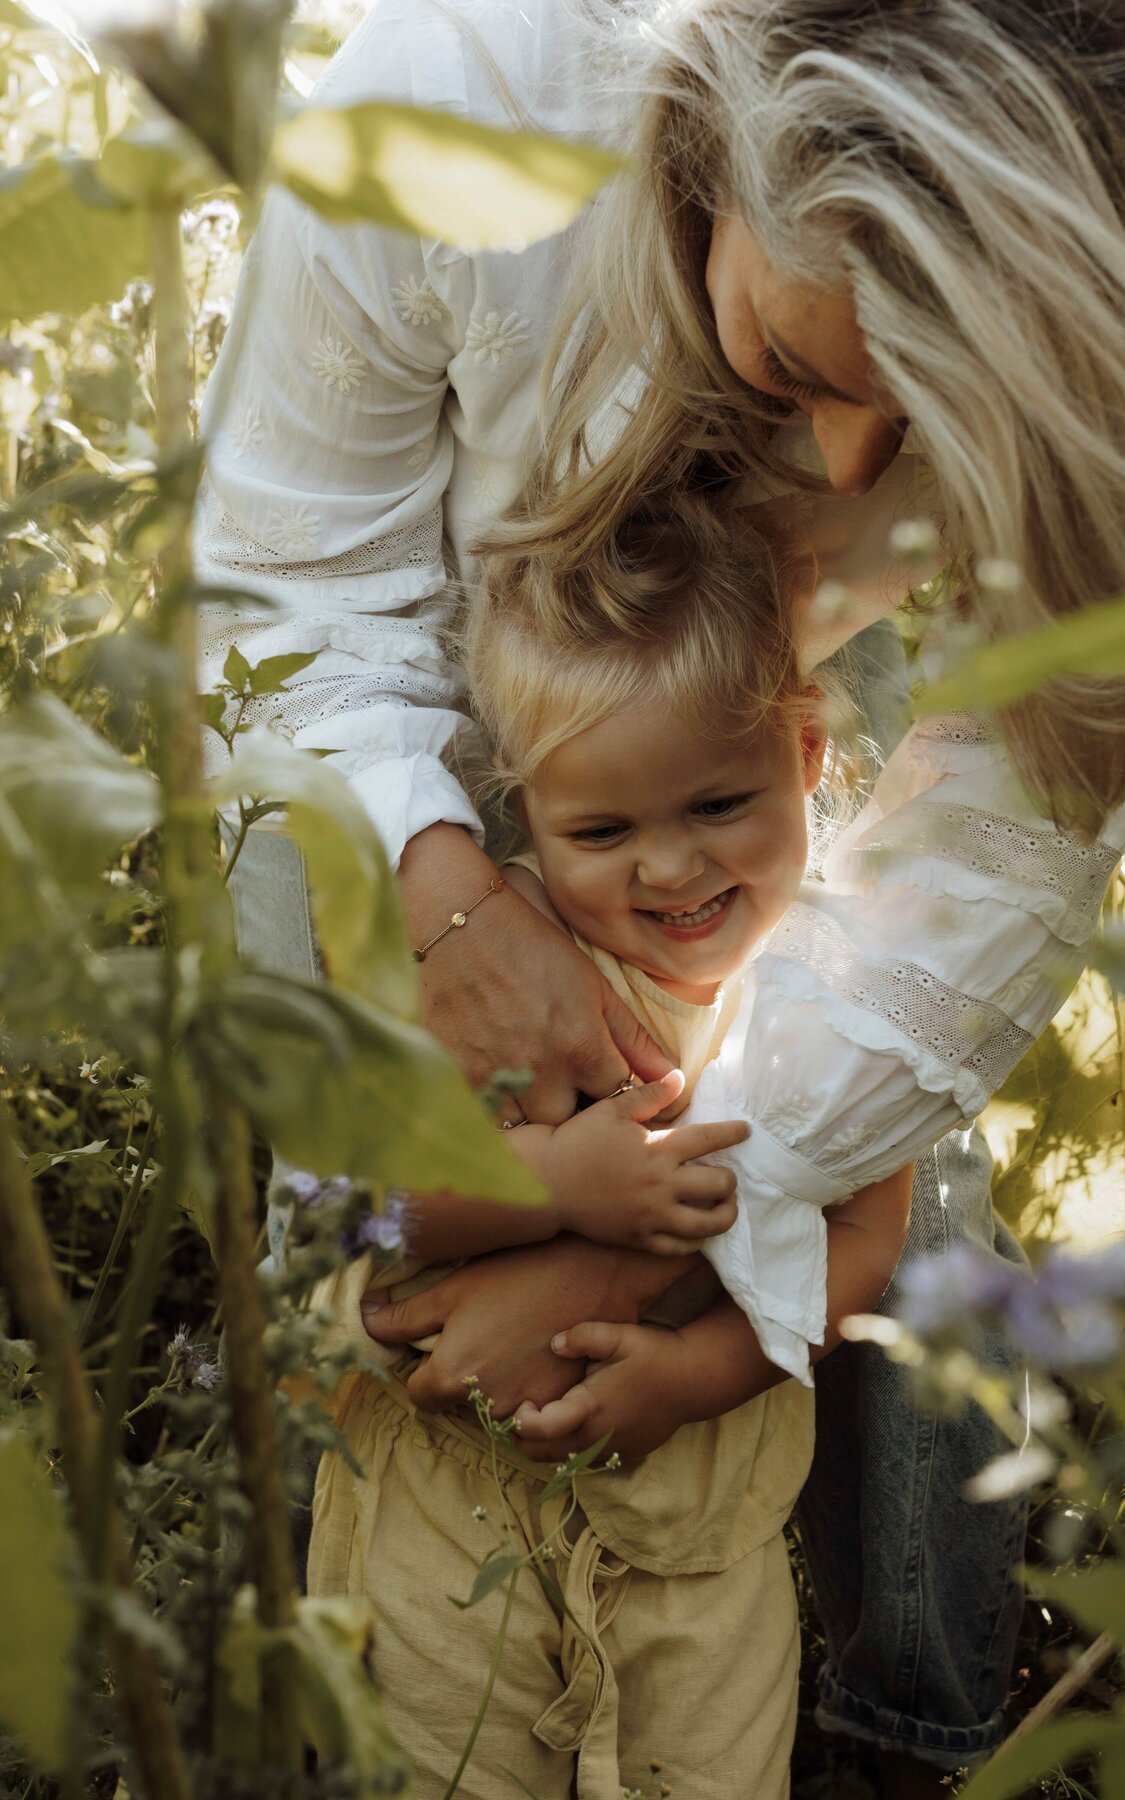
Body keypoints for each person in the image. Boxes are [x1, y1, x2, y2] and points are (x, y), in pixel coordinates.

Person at [198, 0, 1125, 1787]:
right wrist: (441, 891)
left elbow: (965, 903)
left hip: (773, 714)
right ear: (726, 147)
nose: (843, 479)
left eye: (932, 419)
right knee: (358, 1134)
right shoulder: (451, 108)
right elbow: (289, 586)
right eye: (801, 366)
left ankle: (902, 1718)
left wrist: (632, 1249)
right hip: (439, 662)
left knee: (913, 1156)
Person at [303, 500, 912, 1798]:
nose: (671, 865)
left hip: (702, 1538)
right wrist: (549, 1188)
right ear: (523, 814)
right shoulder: (496, 985)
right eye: (602, 832)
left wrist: (696, 1375)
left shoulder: (845, 995)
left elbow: (868, 1237)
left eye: (720, 800)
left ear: (806, 755)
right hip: (448, 1514)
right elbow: (361, 1214)